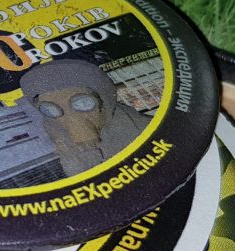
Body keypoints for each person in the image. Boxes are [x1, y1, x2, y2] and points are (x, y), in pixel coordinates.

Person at [19, 58, 152, 174]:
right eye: (50, 109)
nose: (72, 119)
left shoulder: (147, 130)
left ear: (103, 101)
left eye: (83, 103)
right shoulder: (55, 132)